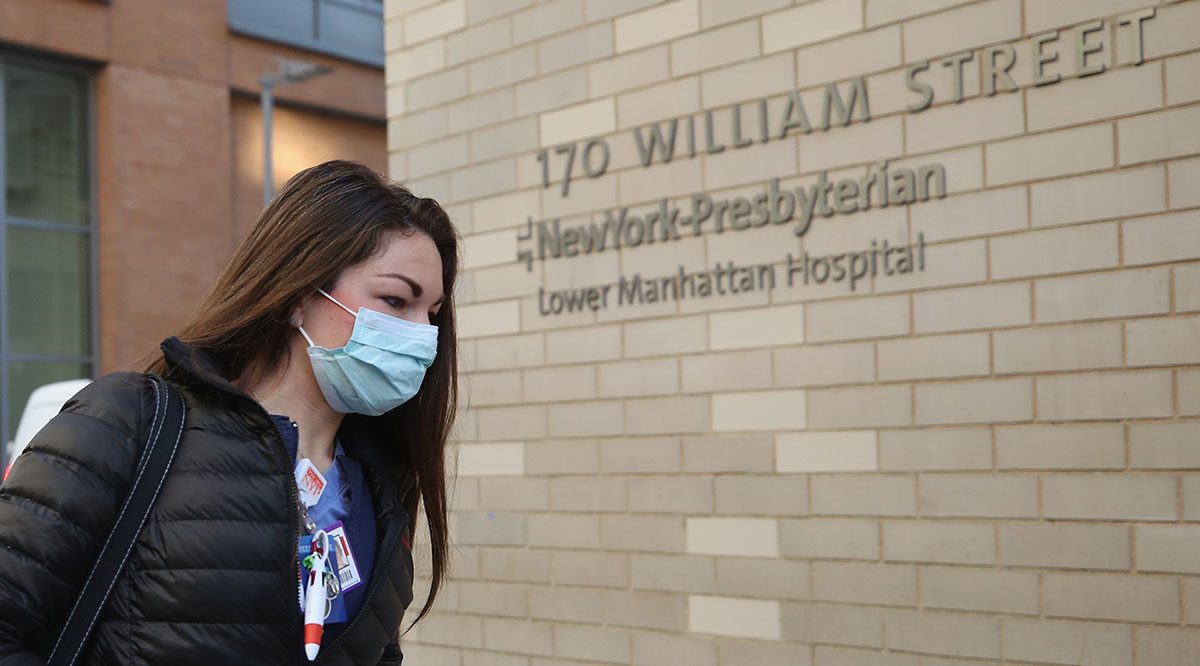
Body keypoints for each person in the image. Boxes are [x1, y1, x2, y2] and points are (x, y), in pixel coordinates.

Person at [0, 160, 458, 665]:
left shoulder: (381, 489)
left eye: (432, 315)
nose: (422, 338)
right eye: (396, 300)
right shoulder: (130, 423)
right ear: (296, 295)